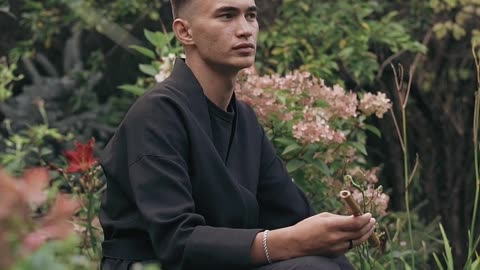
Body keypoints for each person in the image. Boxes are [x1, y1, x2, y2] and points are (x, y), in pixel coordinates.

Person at [99, 0, 377, 269]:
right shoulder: (156, 115)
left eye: (251, 15)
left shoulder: (243, 119)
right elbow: (177, 242)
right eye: (226, 15)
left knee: (330, 262)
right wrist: (289, 242)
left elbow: (292, 217)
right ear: (185, 31)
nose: (245, 29)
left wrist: (336, 232)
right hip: (152, 266)